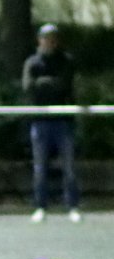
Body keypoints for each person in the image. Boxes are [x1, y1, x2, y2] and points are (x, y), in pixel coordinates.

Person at [22, 23, 79, 223]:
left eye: (53, 38)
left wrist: (43, 84)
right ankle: (40, 206)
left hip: (63, 121)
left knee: (69, 166)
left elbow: (65, 85)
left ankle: (72, 206)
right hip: (40, 121)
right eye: (46, 38)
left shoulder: (66, 61)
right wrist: (49, 83)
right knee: (40, 167)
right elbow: (28, 86)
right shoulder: (32, 62)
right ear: (39, 40)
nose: (49, 42)